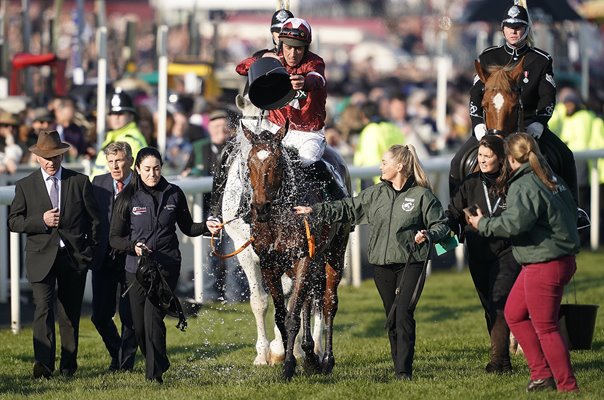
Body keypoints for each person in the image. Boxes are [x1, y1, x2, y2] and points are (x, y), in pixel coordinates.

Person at [294, 144, 449, 380]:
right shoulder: (375, 194)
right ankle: (399, 364)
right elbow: (346, 208)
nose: (380, 166)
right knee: (392, 315)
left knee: (403, 314)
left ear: (400, 166)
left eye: (385, 162)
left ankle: (403, 371)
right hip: (381, 265)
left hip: (411, 263)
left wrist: (428, 235)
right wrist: (314, 210)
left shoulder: (422, 196)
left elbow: (441, 226)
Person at [468, 133, 580, 393]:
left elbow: (515, 224)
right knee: (514, 314)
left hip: (545, 262)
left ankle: (568, 386)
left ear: (509, 159)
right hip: (553, 259)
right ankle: (541, 374)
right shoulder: (551, 176)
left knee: (546, 327)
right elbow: (573, 211)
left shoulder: (525, 183)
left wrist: (482, 224)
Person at [449, 2, 578, 203]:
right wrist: (478, 125)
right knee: (458, 161)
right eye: (509, 27)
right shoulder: (489, 57)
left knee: (566, 156)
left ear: (526, 29)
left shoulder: (541, 60)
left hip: (528, 125)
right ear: (503, 29)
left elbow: (547, 97)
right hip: (492, 126)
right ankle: (455, 215)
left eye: (518, 27)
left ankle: (574, 209)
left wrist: (539, 123)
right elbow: (475, 94)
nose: (514, 31)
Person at [8, 130, 101, 378]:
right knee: (43, 310)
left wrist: (88, 252)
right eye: (46, 157)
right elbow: (14, 222)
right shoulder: (25, 186)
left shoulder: (79, 181)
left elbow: (95, 221)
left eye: (56, 157)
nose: (51, 162)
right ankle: (44, 365)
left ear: (62, 156)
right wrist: (42, 220)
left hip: (74, 259)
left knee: (69, 314)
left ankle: (68, 366)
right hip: (40, 257)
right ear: (38, 158)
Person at [109, 147, 205, 383]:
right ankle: (159, 360)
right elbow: (114, 239)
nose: (153, 174)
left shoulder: (174, 193)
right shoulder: (126, 198)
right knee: (139, 326)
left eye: (157, 168)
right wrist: (134, 246)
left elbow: (188, 228)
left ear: (162, 167)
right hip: (136, 269)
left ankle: (154, 376)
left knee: (153, 319)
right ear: (138, 169)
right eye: (147, 169)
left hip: (166, 267)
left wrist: (207, 227)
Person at [447, 135, 521, 373]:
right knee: (489, 306)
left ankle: (499, 360)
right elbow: (454, 213)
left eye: (488, 156)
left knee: (500, 301)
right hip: (478, 252)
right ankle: (502, 359)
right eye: (480, 156)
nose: (482, 160)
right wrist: (440, 228)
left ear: (500, 158)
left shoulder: (514, 181)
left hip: (508, 251)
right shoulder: (469, 183)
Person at [90, 141, 138, 371]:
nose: (115, 166)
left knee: (129, 316)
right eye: (110, 161)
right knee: (99, 315)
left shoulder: (141, 184)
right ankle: (118, 354)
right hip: (104, 257)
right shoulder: (98, 183)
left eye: (119, 160)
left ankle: (124, 364)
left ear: (129, 160)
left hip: (131, 257)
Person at [90, 88, 148, 179]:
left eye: (121, 113)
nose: (116, 117)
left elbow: (127, 178)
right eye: (113, 113)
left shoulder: (131, 140)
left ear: (131, 116)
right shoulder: (112, 137)